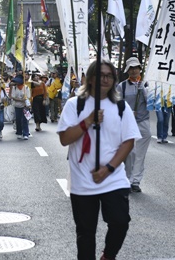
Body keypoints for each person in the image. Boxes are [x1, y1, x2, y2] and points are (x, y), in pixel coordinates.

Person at [58, 60, 141, 260]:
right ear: (90, 78)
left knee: (120, 221)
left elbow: (128, 141)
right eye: (100, 75)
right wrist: (87, 122)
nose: (105, 79)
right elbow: (64, 139)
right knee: (86, 233)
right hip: (83, 180)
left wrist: (108, 168)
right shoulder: (74, 104)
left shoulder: (121, 106)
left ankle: (108, 255)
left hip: (113, 177)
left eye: (109, 75)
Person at [117, 57, 150, 193]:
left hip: (143, 121)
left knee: (140, 154)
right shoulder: (122, 86)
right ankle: (127, 178)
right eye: (131, 68)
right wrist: (128, 113)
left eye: (136, 67)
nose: (134, 70)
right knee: (130, 152)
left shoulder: (146, 84)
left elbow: (151, 102)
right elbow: (117, 104)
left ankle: (135, 181)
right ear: (127, 70)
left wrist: (143, 89)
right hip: (127, 123)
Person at [9, 75, 31, 139]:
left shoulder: (26, 88)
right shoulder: (14, 88)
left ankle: (25, 133)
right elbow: (12, 97)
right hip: (17, 106)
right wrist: (20, 100)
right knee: (18, 119)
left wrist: (24, 99)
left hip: (24, 106)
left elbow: (28, 96)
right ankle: (19, 132)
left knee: (25, 120)